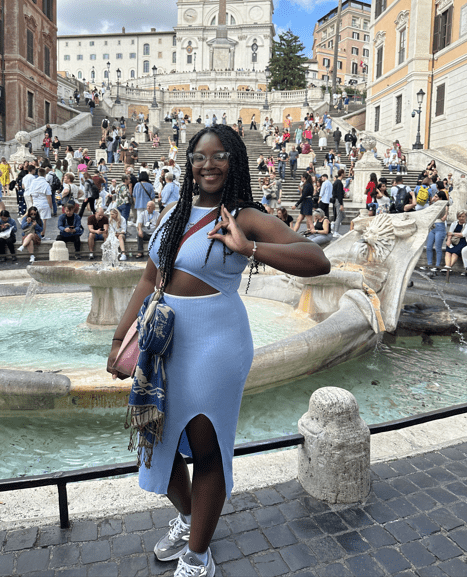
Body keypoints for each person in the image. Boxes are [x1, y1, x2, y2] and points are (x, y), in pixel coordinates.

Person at [106, 124, 330, 577]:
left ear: (234, 161)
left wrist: (250, 248)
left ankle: (198, 554)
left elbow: (317, 260)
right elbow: (151, 280)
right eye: (198, 157)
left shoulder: (244, 215)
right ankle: (190, 520)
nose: (208, 164)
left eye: (219, 155)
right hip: (165, 338)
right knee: (157, 437)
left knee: (206, 447)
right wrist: (119, 337)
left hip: (216, 340)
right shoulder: (174, 212)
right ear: (188, 164)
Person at [420, 191, 448, 272]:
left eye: (436, 197)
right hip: (432, 227)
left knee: (438, 248)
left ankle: (437, 266)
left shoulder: (445, 206)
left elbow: (443, 218)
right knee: (429, 246)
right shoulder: (433, 205)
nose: (434, 198)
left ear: (440, 198)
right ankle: (429, 264)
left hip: (440, 226)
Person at [30, 168, 53, 236]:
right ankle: (42, 234)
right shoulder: (46, 183)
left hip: (35, 202)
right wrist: (50, 205)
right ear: (45, 174)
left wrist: (32, 203)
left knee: (34, 218)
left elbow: (31, 194)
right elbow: (48, 196)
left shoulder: (33, 182)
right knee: (43, 219)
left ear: (38, 173)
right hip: (44, 203)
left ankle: (34, 233)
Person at [332, 169, 345, 238]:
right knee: (339, 216)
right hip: (338, 201)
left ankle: (333, 225)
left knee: (343, 216)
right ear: (342, 174)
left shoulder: (336, 182)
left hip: (336, 200)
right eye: (344, 173)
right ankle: (335, 231)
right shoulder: (339, 182)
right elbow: (339, 194)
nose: (345, 174)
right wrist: (341, 204)